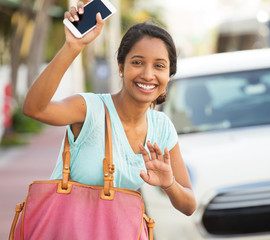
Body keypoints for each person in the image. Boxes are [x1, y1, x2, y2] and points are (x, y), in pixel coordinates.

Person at [22, 0, 196, 217]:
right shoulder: (89, 109)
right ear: (121, 67)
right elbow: (34, 109)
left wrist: (169, 183)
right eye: (138, 62)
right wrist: (72, 47)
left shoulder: (162, 128)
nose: (148, 74)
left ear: (169, 75)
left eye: (159, 66)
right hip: (65, 229)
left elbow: (189, 206)